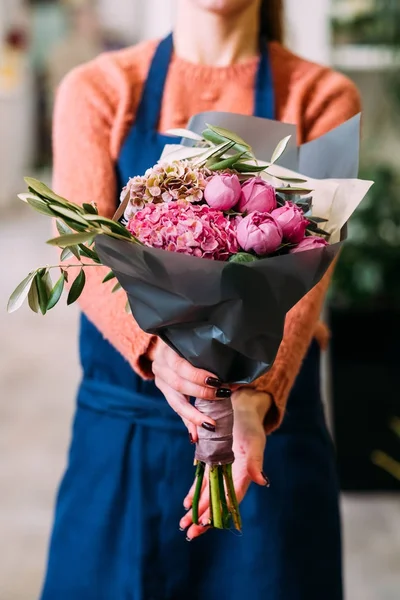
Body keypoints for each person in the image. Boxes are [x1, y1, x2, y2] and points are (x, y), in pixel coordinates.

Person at [40, 1, 361, 599]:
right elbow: (79, 250)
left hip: (266, 443)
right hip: (126, 437)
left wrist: (254, 398)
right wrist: (155, 351)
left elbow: (309, 279)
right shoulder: (101, 89)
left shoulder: (319, 96)